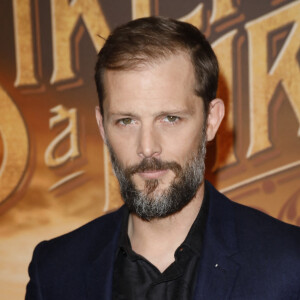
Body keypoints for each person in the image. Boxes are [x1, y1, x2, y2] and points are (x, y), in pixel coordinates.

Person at [26, 17, 300, 300]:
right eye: (126, 121)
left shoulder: (290, 265)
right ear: (101, 126)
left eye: (170, 118)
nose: (147, 147)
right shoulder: (54, 272)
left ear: (211, 121)